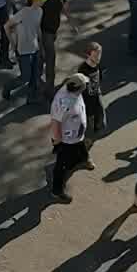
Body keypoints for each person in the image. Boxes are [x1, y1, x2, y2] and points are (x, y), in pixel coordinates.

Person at [47, 73, 89, 203]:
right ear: (78, 88)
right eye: (84, 85)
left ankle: (84, 159)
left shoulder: (74, 92)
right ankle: (57, 190)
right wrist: (58, 141)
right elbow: (55, 123)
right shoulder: (63, 101)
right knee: (62, 165)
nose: (86, 87)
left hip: (76, 136)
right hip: (66, 140)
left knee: (80, 148)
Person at [4, 0, 46, 103]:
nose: (43, 1)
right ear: (35, 0)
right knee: (25, 77)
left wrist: (41, 45)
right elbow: (7, 26)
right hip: (23, 50)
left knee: (35, 75)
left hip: (35, 48)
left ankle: (32, 97)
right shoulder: (22, 13)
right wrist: (13, 43)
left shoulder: (40, 12)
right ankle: (8, 87)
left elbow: (38, 28)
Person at [39, 0, 67, 96]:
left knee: (42, 57)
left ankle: (35, 78)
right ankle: (49, 89)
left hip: (54, 29)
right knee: (50, 58)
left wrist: (71, 21)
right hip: (44, 31)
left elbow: (63, 5)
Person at [77, 42, 105, 150]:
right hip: (87, 104)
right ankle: (84, 151)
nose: (98, 57)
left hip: (97, 100)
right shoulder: (83, 70)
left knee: (100, 123)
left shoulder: (98, 66)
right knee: (89, 128)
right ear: (88, 55)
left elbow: (99, 80)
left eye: (100, 54)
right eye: (96, 55)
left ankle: (89, 141)